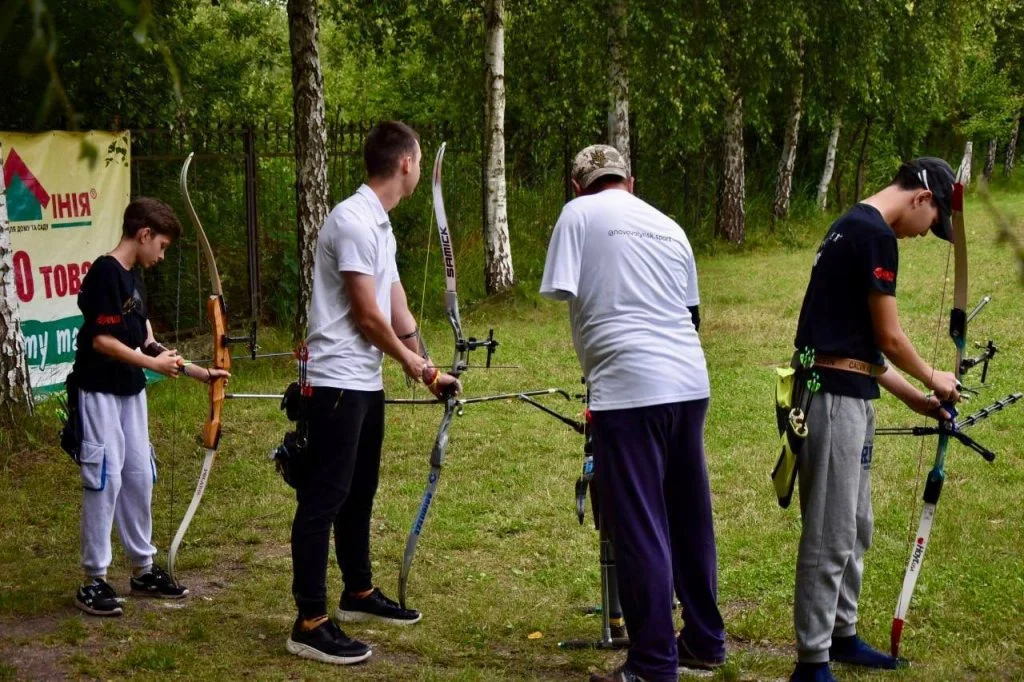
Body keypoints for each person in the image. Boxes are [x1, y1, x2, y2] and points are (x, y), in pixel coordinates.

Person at [540, 144, 727, 682]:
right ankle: (704, 639)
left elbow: (563, 291)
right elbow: (691, 315)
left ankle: (651, 664)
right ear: (631, 180)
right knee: (689, 514)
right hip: (689, 382)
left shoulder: (577, 214)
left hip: (628, 388)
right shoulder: (668, 224)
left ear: (577, 186)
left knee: (640, 522)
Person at [285, 120, 461, 666]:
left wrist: (428, 361)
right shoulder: (352, 219)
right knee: (323, 498)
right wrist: (414, 365)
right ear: (407, 162)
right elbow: (365, 315)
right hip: (335, 380)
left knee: (359, 491)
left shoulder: (380, 226)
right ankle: (309, 621)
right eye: (419, 159)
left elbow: (395, 306)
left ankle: (356, 591)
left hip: (365, 381)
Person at [788, 158, 961, 682]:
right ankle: (812, 660)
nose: (924, 233)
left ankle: (841, 634)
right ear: (921, 198)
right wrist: (934, 376)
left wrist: (914, 397)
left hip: (848, 391)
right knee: (830, 532)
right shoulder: (874, 234)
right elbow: (887, 337)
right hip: (834, 398)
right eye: (933, 222)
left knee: (855, 525)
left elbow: (857, 346)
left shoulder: (852, 225)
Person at [71, 197, 230, 616]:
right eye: (160, 245)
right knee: (105, 478)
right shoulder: (104, 273)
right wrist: (152, 364)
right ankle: (94, 579)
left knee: (139, 475)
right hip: (99, 390)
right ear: (143, 235)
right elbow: (102, 341)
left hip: (130, 392)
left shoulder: (134, 279)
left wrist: (198, 371)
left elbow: (147, 340)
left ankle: (143, 569)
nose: (161, 255)